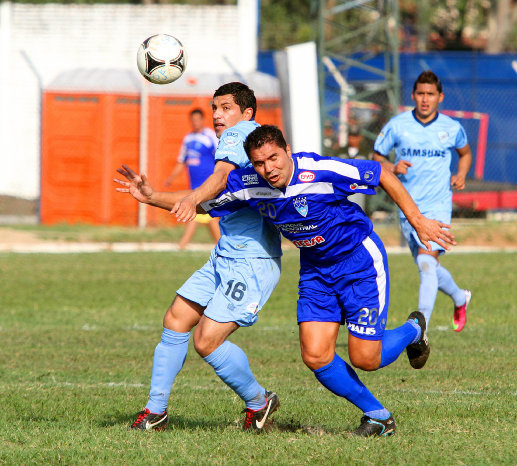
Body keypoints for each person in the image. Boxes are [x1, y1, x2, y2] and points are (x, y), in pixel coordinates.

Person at [199, 125, 456, 437]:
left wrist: (417, 220)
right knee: (316, 355)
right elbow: (198, 203)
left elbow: (382, 174)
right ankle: (378, 416)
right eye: (259, 163)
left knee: (366, 359)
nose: (268, 168)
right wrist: (151, 196)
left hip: (359, 263)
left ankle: (414, 330)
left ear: (287, 151)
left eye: (274, 158)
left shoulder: (320, 171)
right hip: (316, 271)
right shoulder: (249, 184)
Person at [115, 83, 282, 432]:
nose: (218, 115)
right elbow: (210, 197)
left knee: (206, 341)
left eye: (225, 108)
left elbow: (217, 180)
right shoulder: (243, 150)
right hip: (226, 256)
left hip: (252, 263)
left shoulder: (239, 135)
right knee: (176, 317)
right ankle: (156, 411)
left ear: (246, 113)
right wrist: (152, 196)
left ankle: (259, 401)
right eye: (214, 109)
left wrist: (191, 200)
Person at [372, 70, 472, 331]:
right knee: (427, 264)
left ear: (440, 97)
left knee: (427, 264)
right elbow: (376, 158)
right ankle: (461, 298)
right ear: (413, 95)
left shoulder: (452, 127)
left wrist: (461, 174)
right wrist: (392, 167)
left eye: (430, 94)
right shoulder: (397, 125)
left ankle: (420, 327)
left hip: (438, 205)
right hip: (408, 207)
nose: (425, 99)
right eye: (420, 94)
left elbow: (465, 153)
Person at [163, 108, 220, 250]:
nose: (195, 123)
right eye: (193, 120)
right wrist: (171, 178)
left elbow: (221, 158)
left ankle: (181, 246)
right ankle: (222, 247)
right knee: (204, 215)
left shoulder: (211, 136)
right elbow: (182, 161)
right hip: (194, 184)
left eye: (197, 120)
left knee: (197, 214)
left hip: (208, 185)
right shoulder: (188, 139)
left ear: (202, 120)